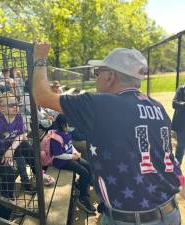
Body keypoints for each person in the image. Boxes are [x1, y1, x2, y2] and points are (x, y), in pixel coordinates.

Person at [32, 42, 182, 225]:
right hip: (170, 212)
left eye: (98, 73)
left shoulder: (101, 104)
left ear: (110, 76)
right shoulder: (157, 106)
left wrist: (39, 58)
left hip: (130, 220)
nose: (96, 78)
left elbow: (41, 96)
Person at [0, 92, 37, 198]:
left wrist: (11, 149)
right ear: (2, 109)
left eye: (17, 104)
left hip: (5, 149)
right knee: (9, 174)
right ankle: (8, 198)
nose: (15, 107)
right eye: (11, 105)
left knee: (26, 146)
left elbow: (22, 135)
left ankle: (39, 173)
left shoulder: (18, 116)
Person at [50, 114, 95, 213]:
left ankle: (80, 186)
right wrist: (72, 156)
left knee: (88, 166)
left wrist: (75, 152)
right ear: (62, 125)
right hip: (61, 162)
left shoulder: (66, 133)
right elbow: (57, 155)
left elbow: (70, 146)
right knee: (84, 173)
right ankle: (82, 198)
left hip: (70, 157)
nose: (71, 127)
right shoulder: (56, 137)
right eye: (69, 124)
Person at [171, 85, 185, 165]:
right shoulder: (181, 89)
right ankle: (177, 168)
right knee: (181, 146)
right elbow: (174, 103)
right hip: (182, 124)